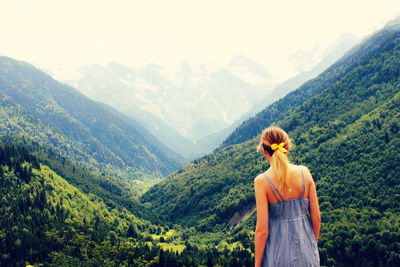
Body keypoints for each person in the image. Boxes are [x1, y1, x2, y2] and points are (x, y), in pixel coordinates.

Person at [254, 126, 321, 267]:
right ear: (287, 148)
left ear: (265, 152)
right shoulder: (305, 173)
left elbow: (262, 230)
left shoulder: (262, 182)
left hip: (277, 255)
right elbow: (316, 218)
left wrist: (257, 264)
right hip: (307, 253)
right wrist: (311, 246)